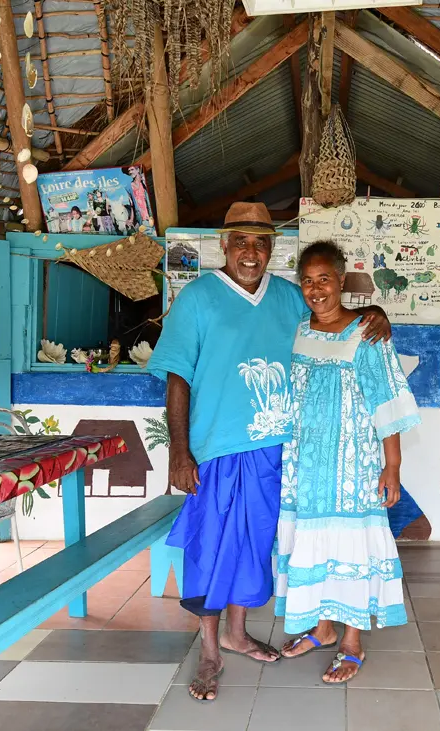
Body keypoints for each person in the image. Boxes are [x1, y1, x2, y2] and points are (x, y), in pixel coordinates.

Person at [146, 203, 392, 702]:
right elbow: (177, 375)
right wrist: (179, 450)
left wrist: (374, 313)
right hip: (215, 449)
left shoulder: (289, 297)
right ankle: (210, 648)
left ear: (272, 249)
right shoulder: (196, 298)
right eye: (241, 241)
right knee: (211, 547)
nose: (251, 252)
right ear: (224, 244)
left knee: (255, 546)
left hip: (278, 449)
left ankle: (238, 633)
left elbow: (332, 317)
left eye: (260, 242)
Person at [274, 241, 419, 683]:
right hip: (304, 467)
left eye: (324, 280)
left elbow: (387, 405)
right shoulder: (296, 328)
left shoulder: (366, 333)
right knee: (313, 543)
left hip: (353, 467)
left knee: (352, 547)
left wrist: (391, 467)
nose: (316, 290)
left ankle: (351, 642)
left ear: (341, 280)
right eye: (307, 282)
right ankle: (321, 628)